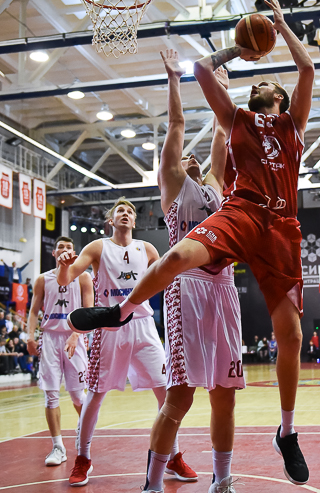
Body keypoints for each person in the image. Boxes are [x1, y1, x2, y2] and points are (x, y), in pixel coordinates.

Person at [67, 0, 313, 486]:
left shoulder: (292, 125)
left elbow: (306, 69)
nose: (259, 84)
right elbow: (201, 73)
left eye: (266, 83)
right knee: (179, 256)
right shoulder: (235, 123)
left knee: (290, 337)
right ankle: (121, 312)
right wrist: (238, 50)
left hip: (277, 230)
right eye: (256, 81)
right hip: (242, 216)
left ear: (280, 97)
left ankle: (285, 433)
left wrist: (281, 26)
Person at [136, 51, 243, 493]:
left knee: (225, 396)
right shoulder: (173, 186)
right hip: (188, 287)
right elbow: (177, 124)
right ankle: (152, 484)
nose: (191, 158)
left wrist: (222, 86)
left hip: (224, 288)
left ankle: (223, 480)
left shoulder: (216, 186)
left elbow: (222, 129)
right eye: (185, 158)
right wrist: (174, 78)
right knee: (180, 398)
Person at [56, 198, 193, 488]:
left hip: (144, 326)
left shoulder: (148, 249)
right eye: (120, 210)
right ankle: (83, 458)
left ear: (134, 220)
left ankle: (173, 456)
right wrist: (63, 266)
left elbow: (167, 279)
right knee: (95, 395)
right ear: (111, 220)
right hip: (110, 326)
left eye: (130, 211)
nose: (126, 214)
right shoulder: (97, 247)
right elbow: (66, 279)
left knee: (166, 394)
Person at [27, 236, 92, 468]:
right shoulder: (42, 279)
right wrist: (30, 336)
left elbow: (89, 309)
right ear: (54, 253)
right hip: (50, 338)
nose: (64, 249)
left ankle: (84, 438)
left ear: (74, 254)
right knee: (51, 395)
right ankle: (58, 446)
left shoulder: (83, 276)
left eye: (69, 247)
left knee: (77, 395)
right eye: (60, 247)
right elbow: (33, 311)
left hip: (75, 336)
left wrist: (76, 334)